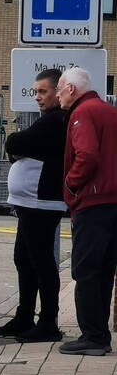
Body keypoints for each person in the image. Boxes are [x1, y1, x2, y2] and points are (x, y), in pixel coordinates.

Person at [0, 69, 67, 342]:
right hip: (31, 202)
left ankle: (48, 322)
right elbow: (18, 147)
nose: (37, 97)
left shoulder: (55, 120)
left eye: (43, 91)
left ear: (58, 92)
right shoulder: (47, 120)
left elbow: (14, 141)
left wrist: (18, 146)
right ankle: (24, 316)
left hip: (42, 202)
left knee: (41, 261)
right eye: (35, 91)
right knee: (24, 259)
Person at [56, 67, 117, 356]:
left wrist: (70, 184)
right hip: (113, 203)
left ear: (71, 89)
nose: (57, 94)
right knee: (105, 271)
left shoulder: (82, 113)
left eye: (59, 88)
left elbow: (87, 154)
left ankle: (92, 336)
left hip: (92, 204)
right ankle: (100, 334)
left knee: (86, 270)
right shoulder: (109, 111)